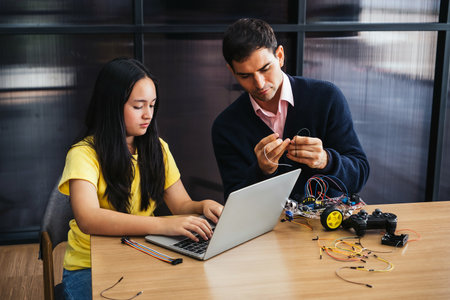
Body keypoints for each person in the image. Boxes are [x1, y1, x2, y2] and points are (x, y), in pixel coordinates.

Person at [59, 57, 223, 300]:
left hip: (143, 252)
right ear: (112, 106)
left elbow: (181, 205)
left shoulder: (157, 148)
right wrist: (163, 224)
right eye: (138, 106)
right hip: (89, 265)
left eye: (153, 105)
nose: (148, 115)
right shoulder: (84, 154)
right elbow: (88, 218)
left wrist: (202, 206)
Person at [212, 18, 369, 202]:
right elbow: (234, 202)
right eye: (245, 75)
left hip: (328, 225)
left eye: (265, 68)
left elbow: (360, 174)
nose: (259, 83)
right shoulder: (226, 126)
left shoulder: (326, 97)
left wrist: (326, 160)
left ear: (279, 56)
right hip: (267, 229)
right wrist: (261, 171)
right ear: (232, 71)